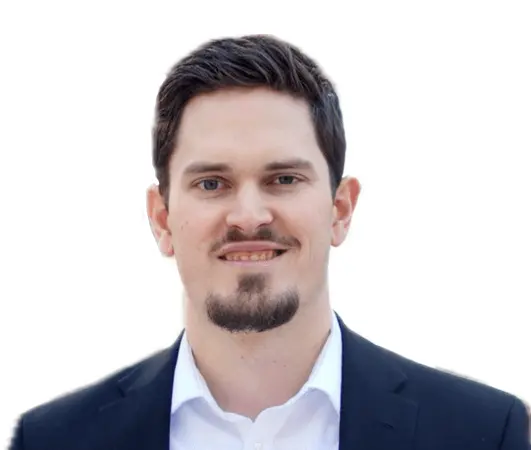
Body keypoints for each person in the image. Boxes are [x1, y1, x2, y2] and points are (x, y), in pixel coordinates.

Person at [9, 34, 530, 450]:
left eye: (283, 178)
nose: (249, 217)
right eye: (211, 183)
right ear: (162, 219)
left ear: (340, 210)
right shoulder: (53, 440)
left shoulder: (484, 433)